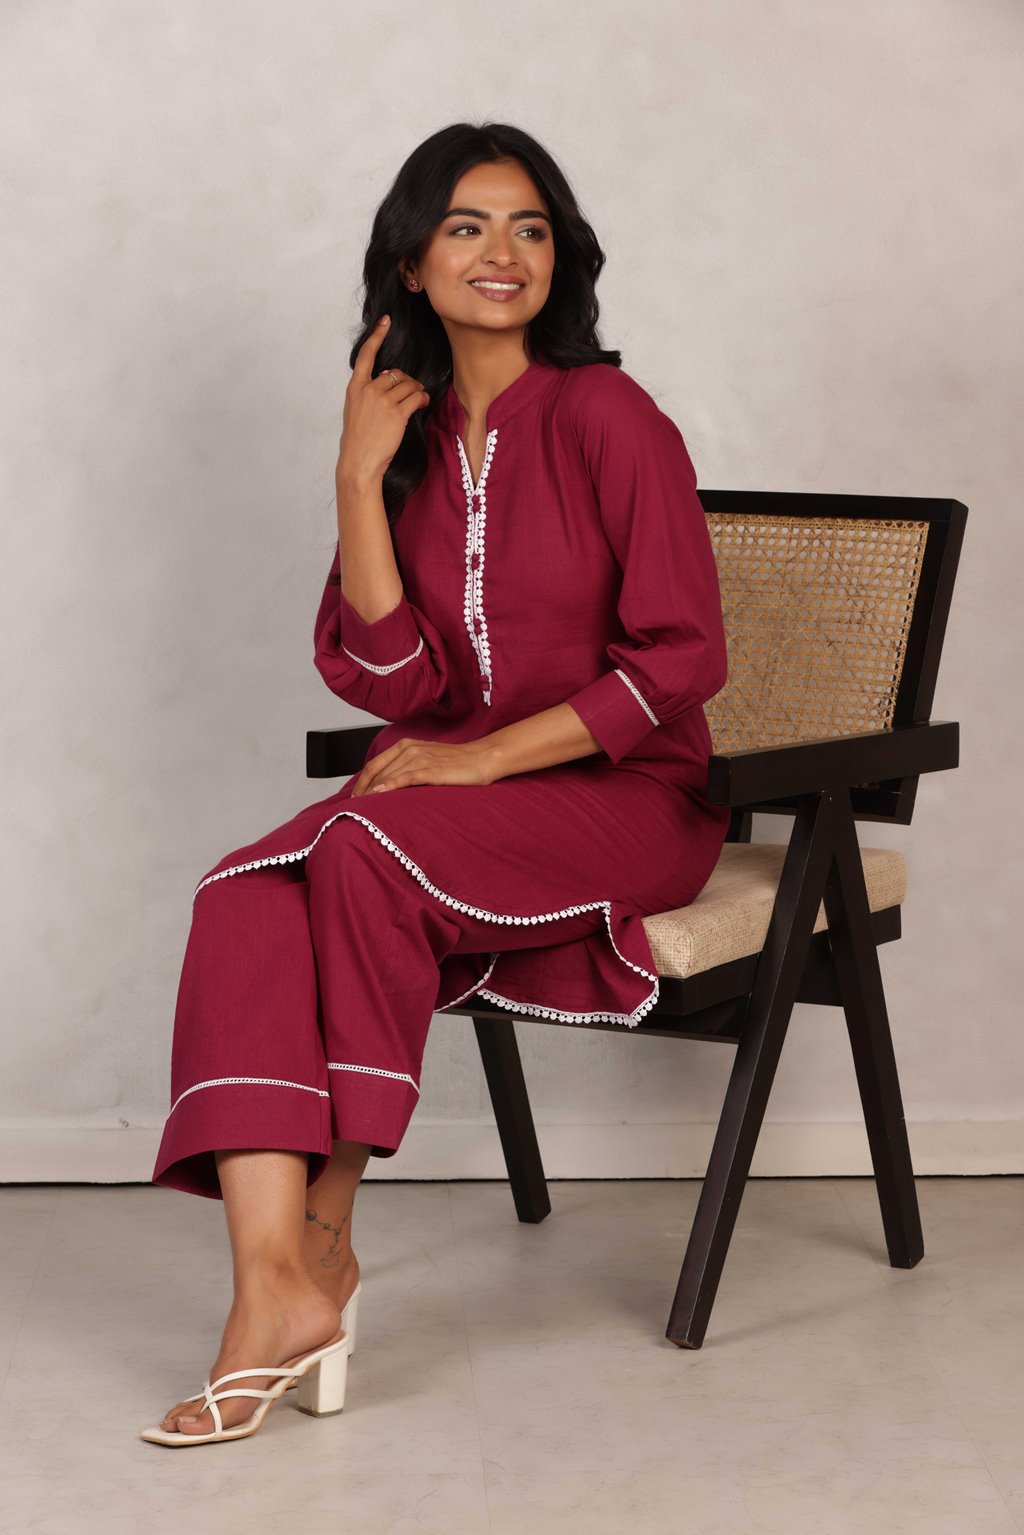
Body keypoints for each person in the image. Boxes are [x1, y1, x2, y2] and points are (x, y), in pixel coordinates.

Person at [144, 121, 730, 1446]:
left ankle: (328, 1233)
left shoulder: (609, 417)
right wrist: (357, 473)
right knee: (243, 891)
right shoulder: (405, 436)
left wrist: (479, 757)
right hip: (450, 807)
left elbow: (686, 655)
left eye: (529, 226)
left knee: (361, 849)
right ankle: (270, 1288)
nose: (501, 251)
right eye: (466, 226)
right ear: (412, 261)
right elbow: (395, 677)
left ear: (560, 256)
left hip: (631, 800)